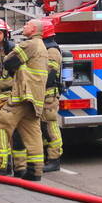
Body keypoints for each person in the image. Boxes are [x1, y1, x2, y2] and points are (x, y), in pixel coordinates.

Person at [0, 19, 48, 181]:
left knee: (1, 125)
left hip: (21, 96)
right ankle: (34, 171)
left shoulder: (30, 45)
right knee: (33, 134)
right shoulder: (42, 46)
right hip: (34, 99)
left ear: (33, 29)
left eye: (26, 25)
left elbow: (9, 61)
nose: (23, 27)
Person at [40, 18, 64, 172]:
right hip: (41, 94)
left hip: (48, 95)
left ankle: (55, 159)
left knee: (50, 126)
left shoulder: (52, 51)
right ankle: (46, 157)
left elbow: (49, 74)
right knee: (42, 127)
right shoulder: (44, 49)